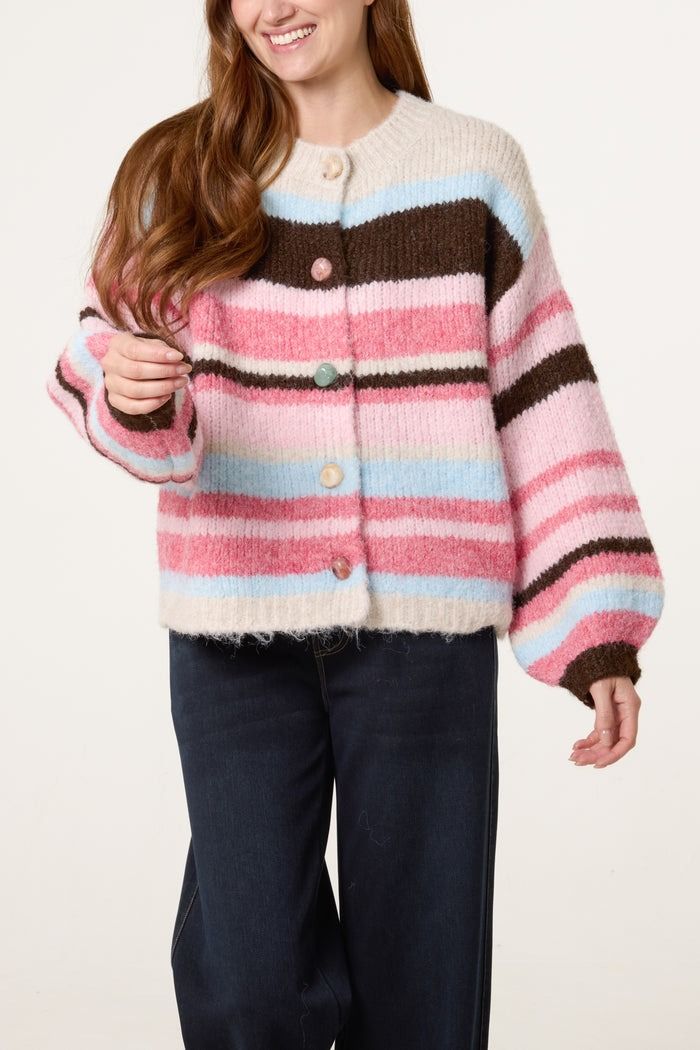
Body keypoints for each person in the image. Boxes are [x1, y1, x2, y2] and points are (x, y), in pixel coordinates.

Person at [45, 1, 665, 1047]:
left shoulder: (473, 168)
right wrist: (130, 391)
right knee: (251, 986)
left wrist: (593, 626)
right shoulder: (178, 171)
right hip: (232, 633)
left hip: (427, 642)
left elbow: (540, 391)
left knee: (425, 988)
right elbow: (99, 363)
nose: (273, 9)